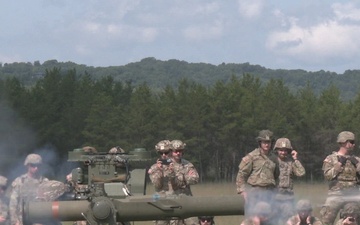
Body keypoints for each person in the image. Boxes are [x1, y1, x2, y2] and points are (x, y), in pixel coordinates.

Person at [320, 131, 360, 225]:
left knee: (353, 221)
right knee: (326, 220)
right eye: (351, 142)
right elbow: (328, 176)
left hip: (352, 194)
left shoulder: (357, 160)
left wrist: (358, 166)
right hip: (336, 194)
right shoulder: (331, 158)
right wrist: (338, 165)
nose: (353, 145)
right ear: (343, 142)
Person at [236, 129, 277, 216]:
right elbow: (242, 174)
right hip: (256, 193)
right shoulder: (252, 156)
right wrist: (242, 191)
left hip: (270, 193)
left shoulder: (274, 158)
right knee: (254, 219)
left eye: (269, 142)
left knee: (270, 219)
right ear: (260, 142)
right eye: (264, 142)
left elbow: (277, 176)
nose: (267, 144)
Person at [9, 153, 49, 225]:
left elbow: (50, 205)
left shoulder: (45, 182)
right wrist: (15, 221)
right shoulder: (19, 182)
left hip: (39, 221)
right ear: (28, 165)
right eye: (33, 165)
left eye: (38, 165)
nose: (36, 168)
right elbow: (13, 204)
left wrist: (44, 221)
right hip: (22, 221)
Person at [274, 138, 306, 224]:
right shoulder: (272, 162)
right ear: (277, 150)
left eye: (285, 150)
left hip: (288, 198)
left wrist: (295, 159)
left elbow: (301, 173)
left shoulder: (291, 163)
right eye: (281, 150)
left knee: (289, 221)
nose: (283, 152)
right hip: (274, 197)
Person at [170, 139, 199, 225]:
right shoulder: (167, 165)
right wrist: (186, 177)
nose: (178, 153)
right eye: (176, 151)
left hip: (187, 199)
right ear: (171, 152)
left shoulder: (187, 164)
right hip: (172, 200)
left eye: (180, 151)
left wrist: (182, 178)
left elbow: (195, 179)